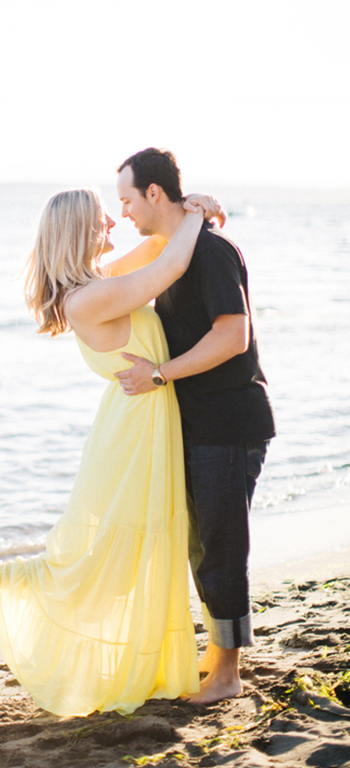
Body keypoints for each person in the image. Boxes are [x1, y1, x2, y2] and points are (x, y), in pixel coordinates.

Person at [0, 186, 223, 717]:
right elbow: (172, 266)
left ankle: (146, 656)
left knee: (131, 556)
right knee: (104, 565)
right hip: (134, 436)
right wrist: (198, 214)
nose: (113, 223)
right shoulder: (89, 297)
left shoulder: (99, 282)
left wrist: (187, 209)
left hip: (140, 426)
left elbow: (160, 248)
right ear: (78, 232)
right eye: (100, 220)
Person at [113, 148, 276, 705]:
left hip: (228, 421)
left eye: (128, 200)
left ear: (154, 194)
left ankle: (228, 675)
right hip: (199, 422)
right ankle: (217, 654)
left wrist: (159, 374)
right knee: (200, 543)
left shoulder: (208, 250)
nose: (126, 213)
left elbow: (234, 335)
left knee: (221, 546)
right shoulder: (175, 250)